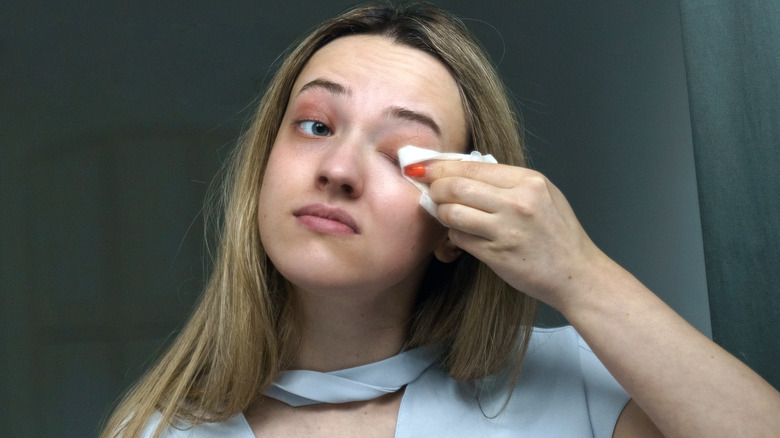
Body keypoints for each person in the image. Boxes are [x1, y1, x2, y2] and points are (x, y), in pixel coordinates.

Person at [100, 2, 780, 437]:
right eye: (314, 124)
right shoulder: (158, 431)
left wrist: (581, 275)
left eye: (400, 154)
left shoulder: (573, 389)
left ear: (457, 222)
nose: (338, 169)